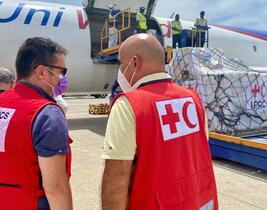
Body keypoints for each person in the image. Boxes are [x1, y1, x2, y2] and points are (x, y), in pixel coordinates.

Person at [101, 34, 218, 210]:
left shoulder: (128, 105)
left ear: (134, 62)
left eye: (120, 63)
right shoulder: (193, 99)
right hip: (201, 201)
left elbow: (116, 182)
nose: (120, 70)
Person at [0, 37, 73, 210]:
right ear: (41, 72)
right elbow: (55, 188)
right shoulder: (47, 114)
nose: (62, 78)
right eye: (61, 71)